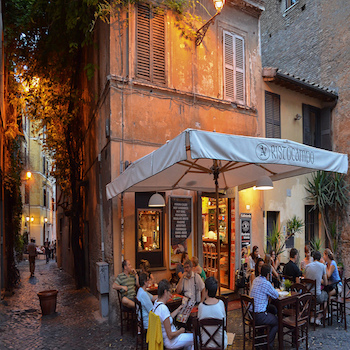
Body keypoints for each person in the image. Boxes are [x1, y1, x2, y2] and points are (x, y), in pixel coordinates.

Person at [152, 279, 194, 350]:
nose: (171, 295)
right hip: (171, 341)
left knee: (189, 341)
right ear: (165, 292)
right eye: (170, 291)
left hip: (164, 338)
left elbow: (167, 319)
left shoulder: (156, 304)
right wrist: (181, 331)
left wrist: (178, 309)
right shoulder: (163, 309)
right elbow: (170, 335)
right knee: (195, 338)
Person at [249, 264, 279, 349]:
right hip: (258, 316)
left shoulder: (255, 280)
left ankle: (261, 337)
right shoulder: (266, 283)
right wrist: (272, 287)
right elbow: (276, 295)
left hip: (250, 314)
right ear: (268, 275)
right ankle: (268, 344)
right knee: (277, 321)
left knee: (272, 310)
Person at [198, 277, 227, 349]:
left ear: (206, 291)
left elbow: (199, 325)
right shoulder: (221, 304)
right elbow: (224, 324)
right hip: (220, 343)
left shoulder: (201, 306)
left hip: (205, 343)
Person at [304, 251, 328, 325]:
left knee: (312, 296)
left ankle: (312, 316)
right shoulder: (322, 266)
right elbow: (326, 282)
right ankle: (318, 317)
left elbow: (305, 279)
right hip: (317, 296)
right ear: (320, 258)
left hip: (307, 295)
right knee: (326, 295)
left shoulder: (307, 266)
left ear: (313, 258)